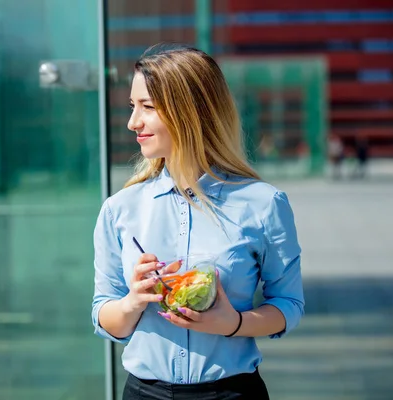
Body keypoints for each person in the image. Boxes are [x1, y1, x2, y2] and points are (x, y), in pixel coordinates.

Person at [92, 43, 304, 400]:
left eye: (147, 107)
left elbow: (288, 305)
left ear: (188, 111)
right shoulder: (119, 209)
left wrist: (232, 323)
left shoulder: (264, 204)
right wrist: (133, 301)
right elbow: (102, 313)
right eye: (133, 107)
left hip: (232, 393)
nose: (133, 122)